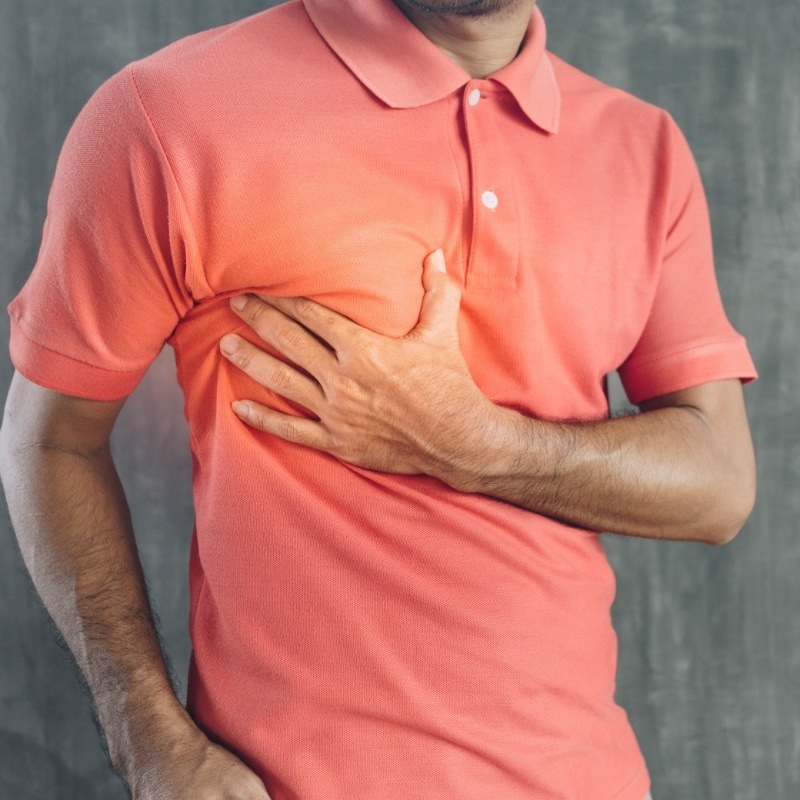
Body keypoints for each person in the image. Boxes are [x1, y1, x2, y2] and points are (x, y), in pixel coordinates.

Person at [0, 0, 757, 798]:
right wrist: (151, 745)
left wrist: (479, 446)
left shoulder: (644, 148)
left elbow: (719, 484)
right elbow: (50, 439)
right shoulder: (168, 114)